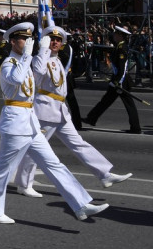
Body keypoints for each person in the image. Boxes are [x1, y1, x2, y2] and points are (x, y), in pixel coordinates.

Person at [0, 22, 108, 223]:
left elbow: (36, 77)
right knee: (2, 171)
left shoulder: (27, 61)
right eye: (24, 39)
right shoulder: (8, 63)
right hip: (15, 123)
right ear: (14, 42)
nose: (28, 42)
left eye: (29, 39)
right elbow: (16, 80)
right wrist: (28, 55)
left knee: (54, 164)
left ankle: (81, 204)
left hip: (31, 122)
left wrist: (41, 52)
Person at [14, 26, 132, 197]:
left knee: (79, 143)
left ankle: (104, 174)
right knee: (37, 148)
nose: (55, 42)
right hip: (45, 110)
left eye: (58, 40)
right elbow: (38, 72)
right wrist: (43, 49)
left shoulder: (58, 59)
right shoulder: (41, 58)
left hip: (60, 110)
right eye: (51, 39)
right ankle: (24, 184)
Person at [83, 26, 142, 134]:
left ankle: (136, 127)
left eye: (116, 34)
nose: (114, 36)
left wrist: (118, 82)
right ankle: (91, 118)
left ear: (120, 36)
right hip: (117, 80)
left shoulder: (122, 48)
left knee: (129, 104)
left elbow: (123, 68)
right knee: (106, 100)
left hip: (121, 81)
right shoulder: (119, 46)